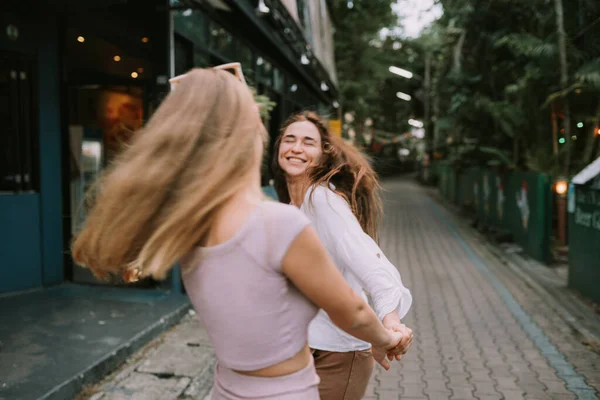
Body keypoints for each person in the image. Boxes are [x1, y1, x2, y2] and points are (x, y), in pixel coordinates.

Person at [71, 68, 409, 400]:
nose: (293, 146)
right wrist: (386, 337)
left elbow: (366, 264)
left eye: (308, 141)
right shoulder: (279, 221)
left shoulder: (191, 221)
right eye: (285, 136)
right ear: (254, 135)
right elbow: (353, 312)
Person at [272, 111, 414, 400]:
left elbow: (368, 258)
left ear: (323, 156)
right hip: (304, 347)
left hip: (339, 353)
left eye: (308, 142)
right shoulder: (291, 206)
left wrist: (390, 322)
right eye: (290, 140)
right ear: (278, 149)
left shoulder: (322, 200)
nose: (296, 148)